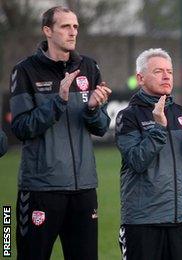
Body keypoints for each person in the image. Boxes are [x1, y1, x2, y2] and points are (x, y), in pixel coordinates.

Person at [9, 6, 112, 259]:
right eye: (66, 26)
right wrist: (59, 100)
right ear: (47, 31)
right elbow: (21, 127)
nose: (73, 32)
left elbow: (100, 127)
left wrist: (92, 109)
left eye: (75, 26)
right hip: (41, 190)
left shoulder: (89, 66)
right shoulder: (25, 71)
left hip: (84, 189)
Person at [115, 48, 182, 260]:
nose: (167, 76)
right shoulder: (129, 116)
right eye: (158, 71)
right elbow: (136, 161)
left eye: (169, 70)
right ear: (140, 78)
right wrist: (158, 128)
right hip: (144, 221)